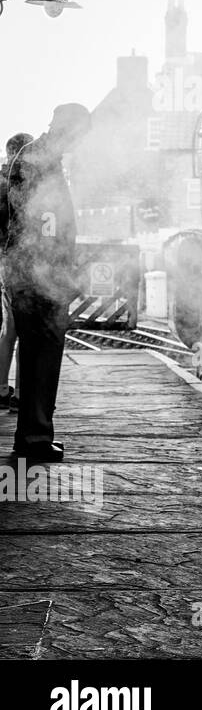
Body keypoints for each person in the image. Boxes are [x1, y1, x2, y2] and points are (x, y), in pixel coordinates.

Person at [1, 105, 91, 463]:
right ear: (68, 129)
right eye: (80, 134)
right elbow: (38, 223)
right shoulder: (38, 161)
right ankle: (34, 438)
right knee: (43, 354)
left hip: (37, 275)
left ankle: (35, 434)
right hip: (38, 278)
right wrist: (57, 274)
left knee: (42, 354)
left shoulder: (39, 158)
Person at [0, 132, 33, 413]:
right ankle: (22, 393)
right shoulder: (24, 183)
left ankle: (0, 388)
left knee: (7, 329)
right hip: (23, 263)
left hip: (4, 262)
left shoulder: (1, 180)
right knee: (27, 331)